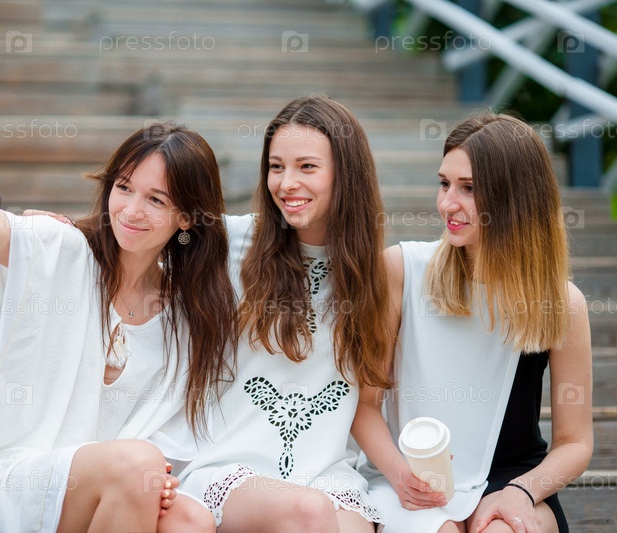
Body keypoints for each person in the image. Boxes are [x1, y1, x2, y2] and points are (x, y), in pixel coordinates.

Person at [0, 122, 238, 532]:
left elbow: (169, 437)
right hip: (22, 482)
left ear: (185, 217)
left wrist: (154, 479)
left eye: (155, 199)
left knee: (191, 519)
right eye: (124, 187)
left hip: (120, 487)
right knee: (140, 465)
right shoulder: (62, 249)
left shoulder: (185, 316)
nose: (131, 209)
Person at [353, 113, 593, 532]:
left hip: (513, 478)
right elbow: (364, 403)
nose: (448, 203)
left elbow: (575, 443)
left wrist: (522, 491)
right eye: (444, 184)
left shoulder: (561, 303)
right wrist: (400, 474)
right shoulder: (401, 270)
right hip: (407, 473)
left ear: (514, 198)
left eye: (468, 188)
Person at [178, 95, 392, 532]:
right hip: (233, 466)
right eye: (276, 167)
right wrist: (63, 230)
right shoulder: (232, 243)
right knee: (309, 512)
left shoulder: (376, 274)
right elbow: (143, 234)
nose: (287, 183)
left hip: (329, 474)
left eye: (307, 167)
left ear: (346, 174)